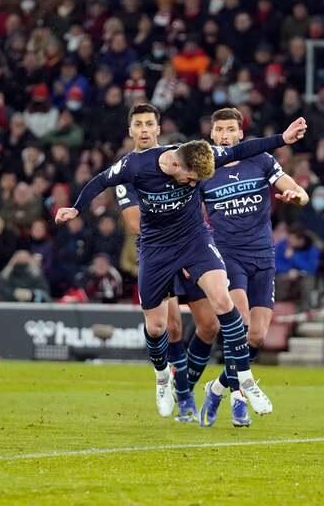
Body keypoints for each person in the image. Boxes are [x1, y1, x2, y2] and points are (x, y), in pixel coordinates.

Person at [55, 112, 307, 422]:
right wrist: (75, 208)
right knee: (159, 327)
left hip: (195, 240)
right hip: (156, 248)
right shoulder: (135, 166)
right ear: (177, 166)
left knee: (223, 303)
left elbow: (243, 150)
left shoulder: (201, 155)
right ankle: (163, 379)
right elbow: (100, 181)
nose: (193, 184)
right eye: (190, 179)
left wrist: (283, 138)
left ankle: (245, 381)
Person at [181, 108, 309, 427]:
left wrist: (296, 196)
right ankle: (239, 399)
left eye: (230, 130)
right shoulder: (205, 171)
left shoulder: (262, 160)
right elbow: (190, 218)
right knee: (239, 324)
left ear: (240, 134)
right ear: (212, 135)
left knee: (258, 336)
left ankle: (217, 387)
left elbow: (297, 190)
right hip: (227, 256)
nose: (224, 135)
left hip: (263, 256)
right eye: (219, 130)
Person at [113, 103, 221, 422]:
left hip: (189, 247)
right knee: (171, 327)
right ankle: (184, 397)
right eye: (138, 125)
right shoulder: (127, 172)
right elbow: (134, 223)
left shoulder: (180, 156)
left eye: (150, 124)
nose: (144, 130)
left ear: (158, 128)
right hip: (159, 252)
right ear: (130, 130)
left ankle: (185, 385)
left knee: (210, 325)